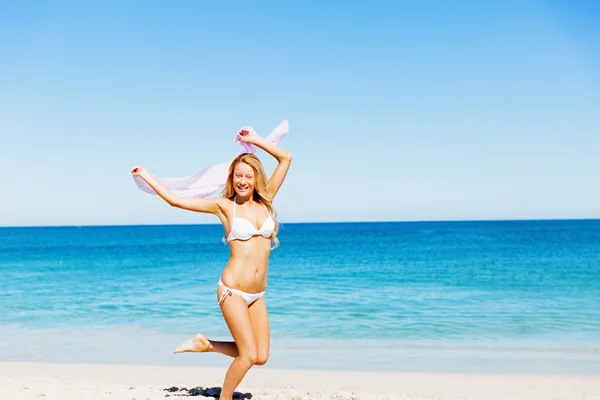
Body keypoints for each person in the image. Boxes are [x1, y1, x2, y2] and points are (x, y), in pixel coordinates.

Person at [130, 128, 292, 400]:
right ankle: (225, 397)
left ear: (256, 179)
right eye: (238, 175)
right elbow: (176, 201)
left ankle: (207, 345)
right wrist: (147, 176)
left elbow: (286, 158)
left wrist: (254, 141)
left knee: (261, 356)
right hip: (232, 291)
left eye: (248, 176)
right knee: (248, 355)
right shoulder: (224, 207)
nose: (243, 181)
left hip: (257, 294)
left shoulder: (267, 199)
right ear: (232, 178)